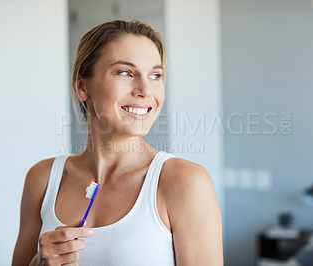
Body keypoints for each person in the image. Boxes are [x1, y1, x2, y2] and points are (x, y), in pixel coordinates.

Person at [12, 20, 223, 266]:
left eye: (155, 75)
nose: (145, 90)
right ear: (82, 87)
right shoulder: (43, 178)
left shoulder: (185, 182)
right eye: (125, 72)